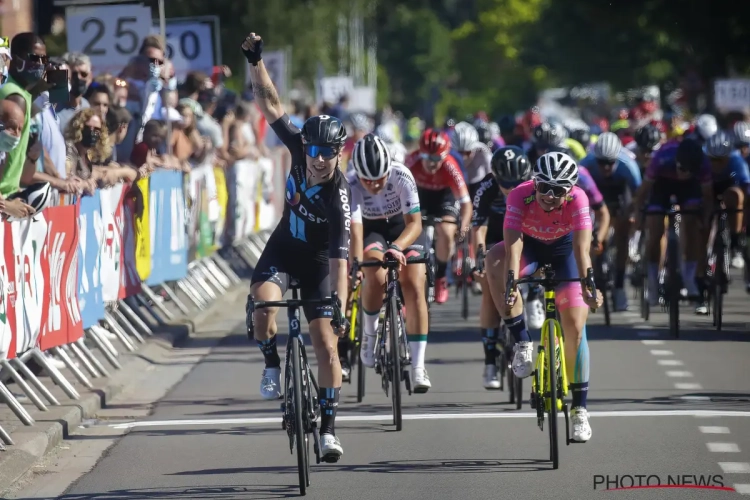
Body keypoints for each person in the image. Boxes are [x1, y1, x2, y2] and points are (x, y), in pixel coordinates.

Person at [242, 32, 350, 462]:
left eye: (329, 152)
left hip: (321, 264)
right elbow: (270, 104)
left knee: (326, 345)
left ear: (340, 152)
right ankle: (271, 362)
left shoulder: (338, 198)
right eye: (315, 150)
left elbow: (342, 257)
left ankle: (327, 430)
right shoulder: (299, 145)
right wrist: (255, 60)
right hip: (284, 250)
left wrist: (340, 303)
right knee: (263, 308)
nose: (319, 158)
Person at [485, 151, 602, 443]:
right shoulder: (519, 196)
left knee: (575, 328)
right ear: (533, 182)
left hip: (565, 253)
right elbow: (513, 247)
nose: (549, 195)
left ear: (570, 189)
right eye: (544, 187)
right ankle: (522, 340)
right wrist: (512, 285)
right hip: (530, 248)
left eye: (558, 190)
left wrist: (589, 286)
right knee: (495, 259)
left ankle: (580, 411)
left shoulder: (579, 199)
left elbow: (582, 249)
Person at [346, 133, 432, 391]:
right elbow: (356, 229)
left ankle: (418, 366)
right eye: (368, 180)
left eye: (380, 178)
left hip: (401, 228)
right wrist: (356, 265)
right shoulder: (350, 184)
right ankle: (370, 336)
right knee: (374, 273)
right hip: (372, 229)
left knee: (415, 283)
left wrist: (397, 247)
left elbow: (415, 224)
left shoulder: (402, 174)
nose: (374, 185)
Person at [471, 146, 531, 389]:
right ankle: (490, 362)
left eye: (516, 182)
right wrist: (479, 256)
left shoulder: (534, 186)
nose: (511, 188)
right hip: (495, 235)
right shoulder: (486, 187)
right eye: (505, 183)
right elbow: (478, 227)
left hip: (525, 235)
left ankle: (533, 297)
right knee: (488, 289)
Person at [406, 129, 472, 304]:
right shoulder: (411, 161)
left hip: (444, 197)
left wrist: (463, 227)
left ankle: (441, 276)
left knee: (446, 230)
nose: (432, 163)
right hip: (419, 195)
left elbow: (466, 203)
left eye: (436, 158)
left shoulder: (450, 166)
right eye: (427, 158)